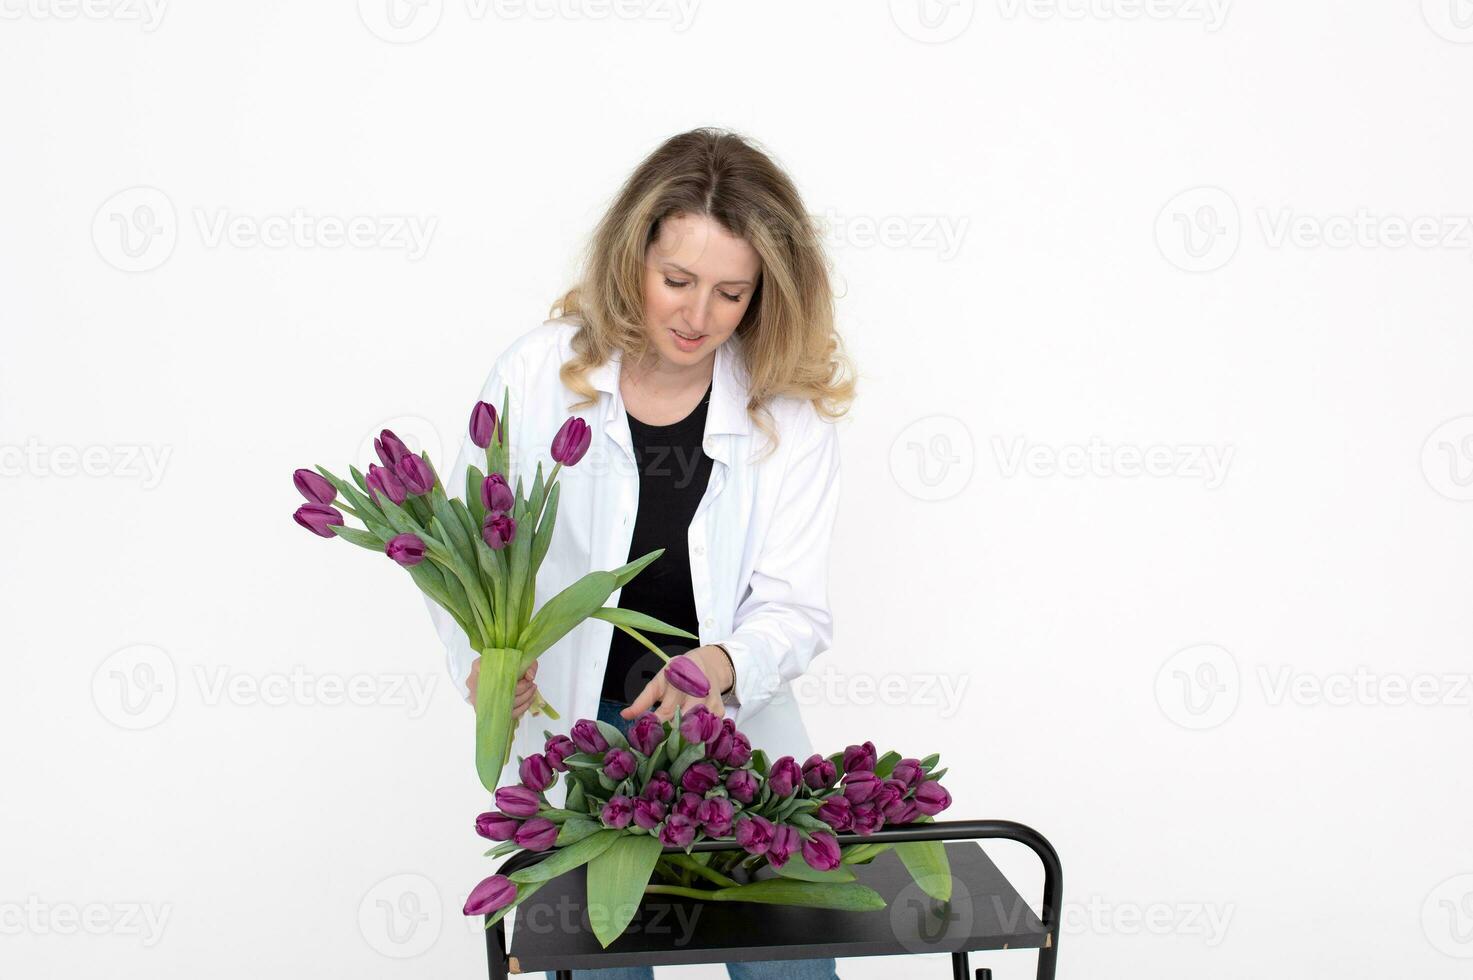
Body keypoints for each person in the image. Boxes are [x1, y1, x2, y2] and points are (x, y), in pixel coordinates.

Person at [425, 127, 855, 979]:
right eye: (677, 282)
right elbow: (463, 559)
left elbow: (793, 606)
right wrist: (486, 659)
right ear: (633, 257)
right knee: (600, 967)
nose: (698, 317)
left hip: (730, 740)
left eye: (731, 293)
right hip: (576, 738)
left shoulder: (789, 413)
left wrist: (722, 667)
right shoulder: (536, 377)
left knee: (789, 965)